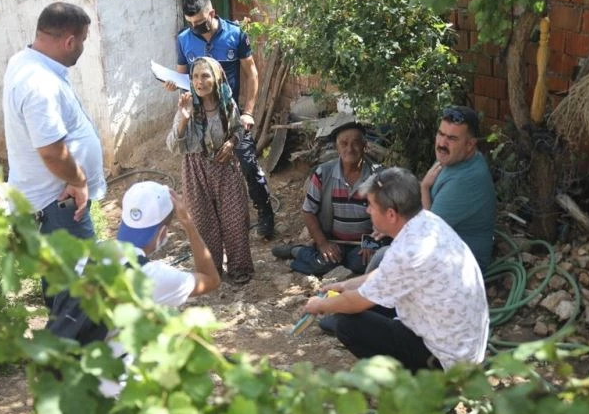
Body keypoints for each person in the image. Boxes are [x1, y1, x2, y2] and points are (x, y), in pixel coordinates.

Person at [303, 167, 489, 372]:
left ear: (391, 214)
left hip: (446, 361)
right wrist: (345, 284)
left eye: (371, 206)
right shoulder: (426, 221)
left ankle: (414, 381)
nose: (367, 211)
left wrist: (320, 305)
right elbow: (385, 277)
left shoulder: (407, 252)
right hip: (463, 346)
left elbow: (355, 303)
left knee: (348, 325)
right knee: (373, 281)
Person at [2, 2, 106, 310]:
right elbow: (51, 151)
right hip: (58, 205)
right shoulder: (39, 83)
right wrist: (78, 179)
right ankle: (81, 353)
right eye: (84, 41)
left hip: (51, 203)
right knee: (81, 288)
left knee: (61, 285)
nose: (83, 48)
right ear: (69, 41)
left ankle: (62, 348)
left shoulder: (25, 60)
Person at [163, 0, 275, 239]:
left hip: (232, 115)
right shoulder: (184, 40)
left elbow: (252, 74)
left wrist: (247, 112)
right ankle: (216, 222)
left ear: (211, 13)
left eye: (200, 23)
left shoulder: (235, 34)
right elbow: (184, 78)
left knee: (247, 164)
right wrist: (174, 83)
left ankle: (265, 212)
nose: (195, 28)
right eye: (190, 24)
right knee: (203, 172)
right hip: (201, 118)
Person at [97, 181, 221, 398]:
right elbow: (211, 279)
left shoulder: (93, 251)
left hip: (70, 374)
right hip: (110, 390)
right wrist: (189, 224)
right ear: (163, 232)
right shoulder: (152, 276)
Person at [166, 56, 255, 284]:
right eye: (195, 76)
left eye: (205, 75)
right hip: (196, 171)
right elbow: (173, 146)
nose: (199, 81)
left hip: (226, 168)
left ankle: (239, 269)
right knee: (204, 223)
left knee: (234, 220)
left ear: (216, 78)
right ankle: (211, 271)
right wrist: (184, 121)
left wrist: (232, 142)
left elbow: (238, 128)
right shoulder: (187, 106)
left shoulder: (227, 104)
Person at [272, 122, 382, 276]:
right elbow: (308, 212)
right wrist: (323, 243)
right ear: (337, 148)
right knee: (324, 263)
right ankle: (298, 251)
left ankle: (339, 262)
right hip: (333, 240)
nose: (349, 149)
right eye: (344, 144)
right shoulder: (324, 173)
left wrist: (372, 242)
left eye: (355, 143)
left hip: (363, 243)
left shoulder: (377, 176)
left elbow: (387, 215)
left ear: (365, 146)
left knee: (364, 263)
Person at [420, 105, 495, 272]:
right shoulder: (453, 158)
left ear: (470, 145)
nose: (442, 143)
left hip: (461, 267)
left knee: (385, 257)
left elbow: (426, 234)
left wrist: (424, 188)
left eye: (452, 138)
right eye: (440, 134)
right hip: (444, 250)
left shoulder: (466, 181)